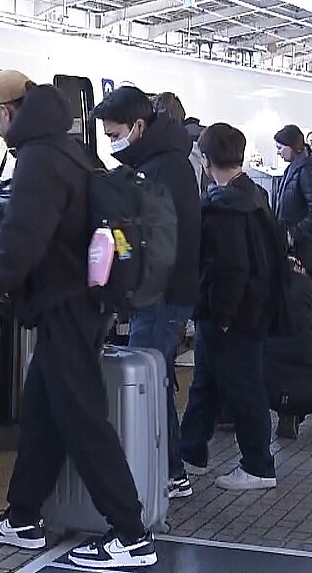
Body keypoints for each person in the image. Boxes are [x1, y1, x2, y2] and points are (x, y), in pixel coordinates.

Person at [0, 70, 156, 570]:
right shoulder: (69, 149)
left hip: (67, 305)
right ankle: (23, 516)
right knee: (44, 412)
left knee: (82, 417)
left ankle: (132, 534)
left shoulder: (38, 158)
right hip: (79, 302)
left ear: (7, 111)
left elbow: (20, 241)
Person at [93, 85, 201, 499]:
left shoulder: (164, 169)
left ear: (138, 126)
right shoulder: (160, 162)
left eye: (114, 133)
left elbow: (160, 242)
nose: (111, 142)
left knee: (148, 380)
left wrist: (134, 288)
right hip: (160, 294)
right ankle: (169, 469)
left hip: (162, 296)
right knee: (155, 377)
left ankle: (170, 472)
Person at [178, 122, 283, 491]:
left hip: (232, 316)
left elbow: (230, 268)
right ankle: (191, 452)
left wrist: (221, 316)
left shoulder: (224, 207)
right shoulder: (253, 195)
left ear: (206, 160)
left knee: (244, 388)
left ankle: (258, 465)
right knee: (206, 382)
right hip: (249, 309)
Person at [273, 124, 312, 296]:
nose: (278, 152)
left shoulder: (308, 170)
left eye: (280, 148)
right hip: (301, 248)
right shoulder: (295, 167)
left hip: (311, 251)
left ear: (292, 147)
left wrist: (292, 234)